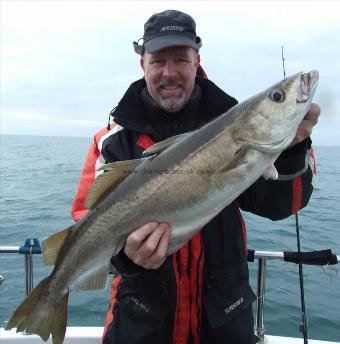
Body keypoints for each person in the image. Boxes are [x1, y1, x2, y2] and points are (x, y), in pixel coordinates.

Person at [71, 10, 320, 344]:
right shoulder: (113, 141)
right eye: (158, 61)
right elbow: (87, 220)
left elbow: (280, 206)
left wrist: (290, 150)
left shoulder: (232, 125)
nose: (169, 73)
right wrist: (126, 258)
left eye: (181, 60)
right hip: (141, 323)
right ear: (142, 64)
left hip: (224, 319)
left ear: (197, 61)